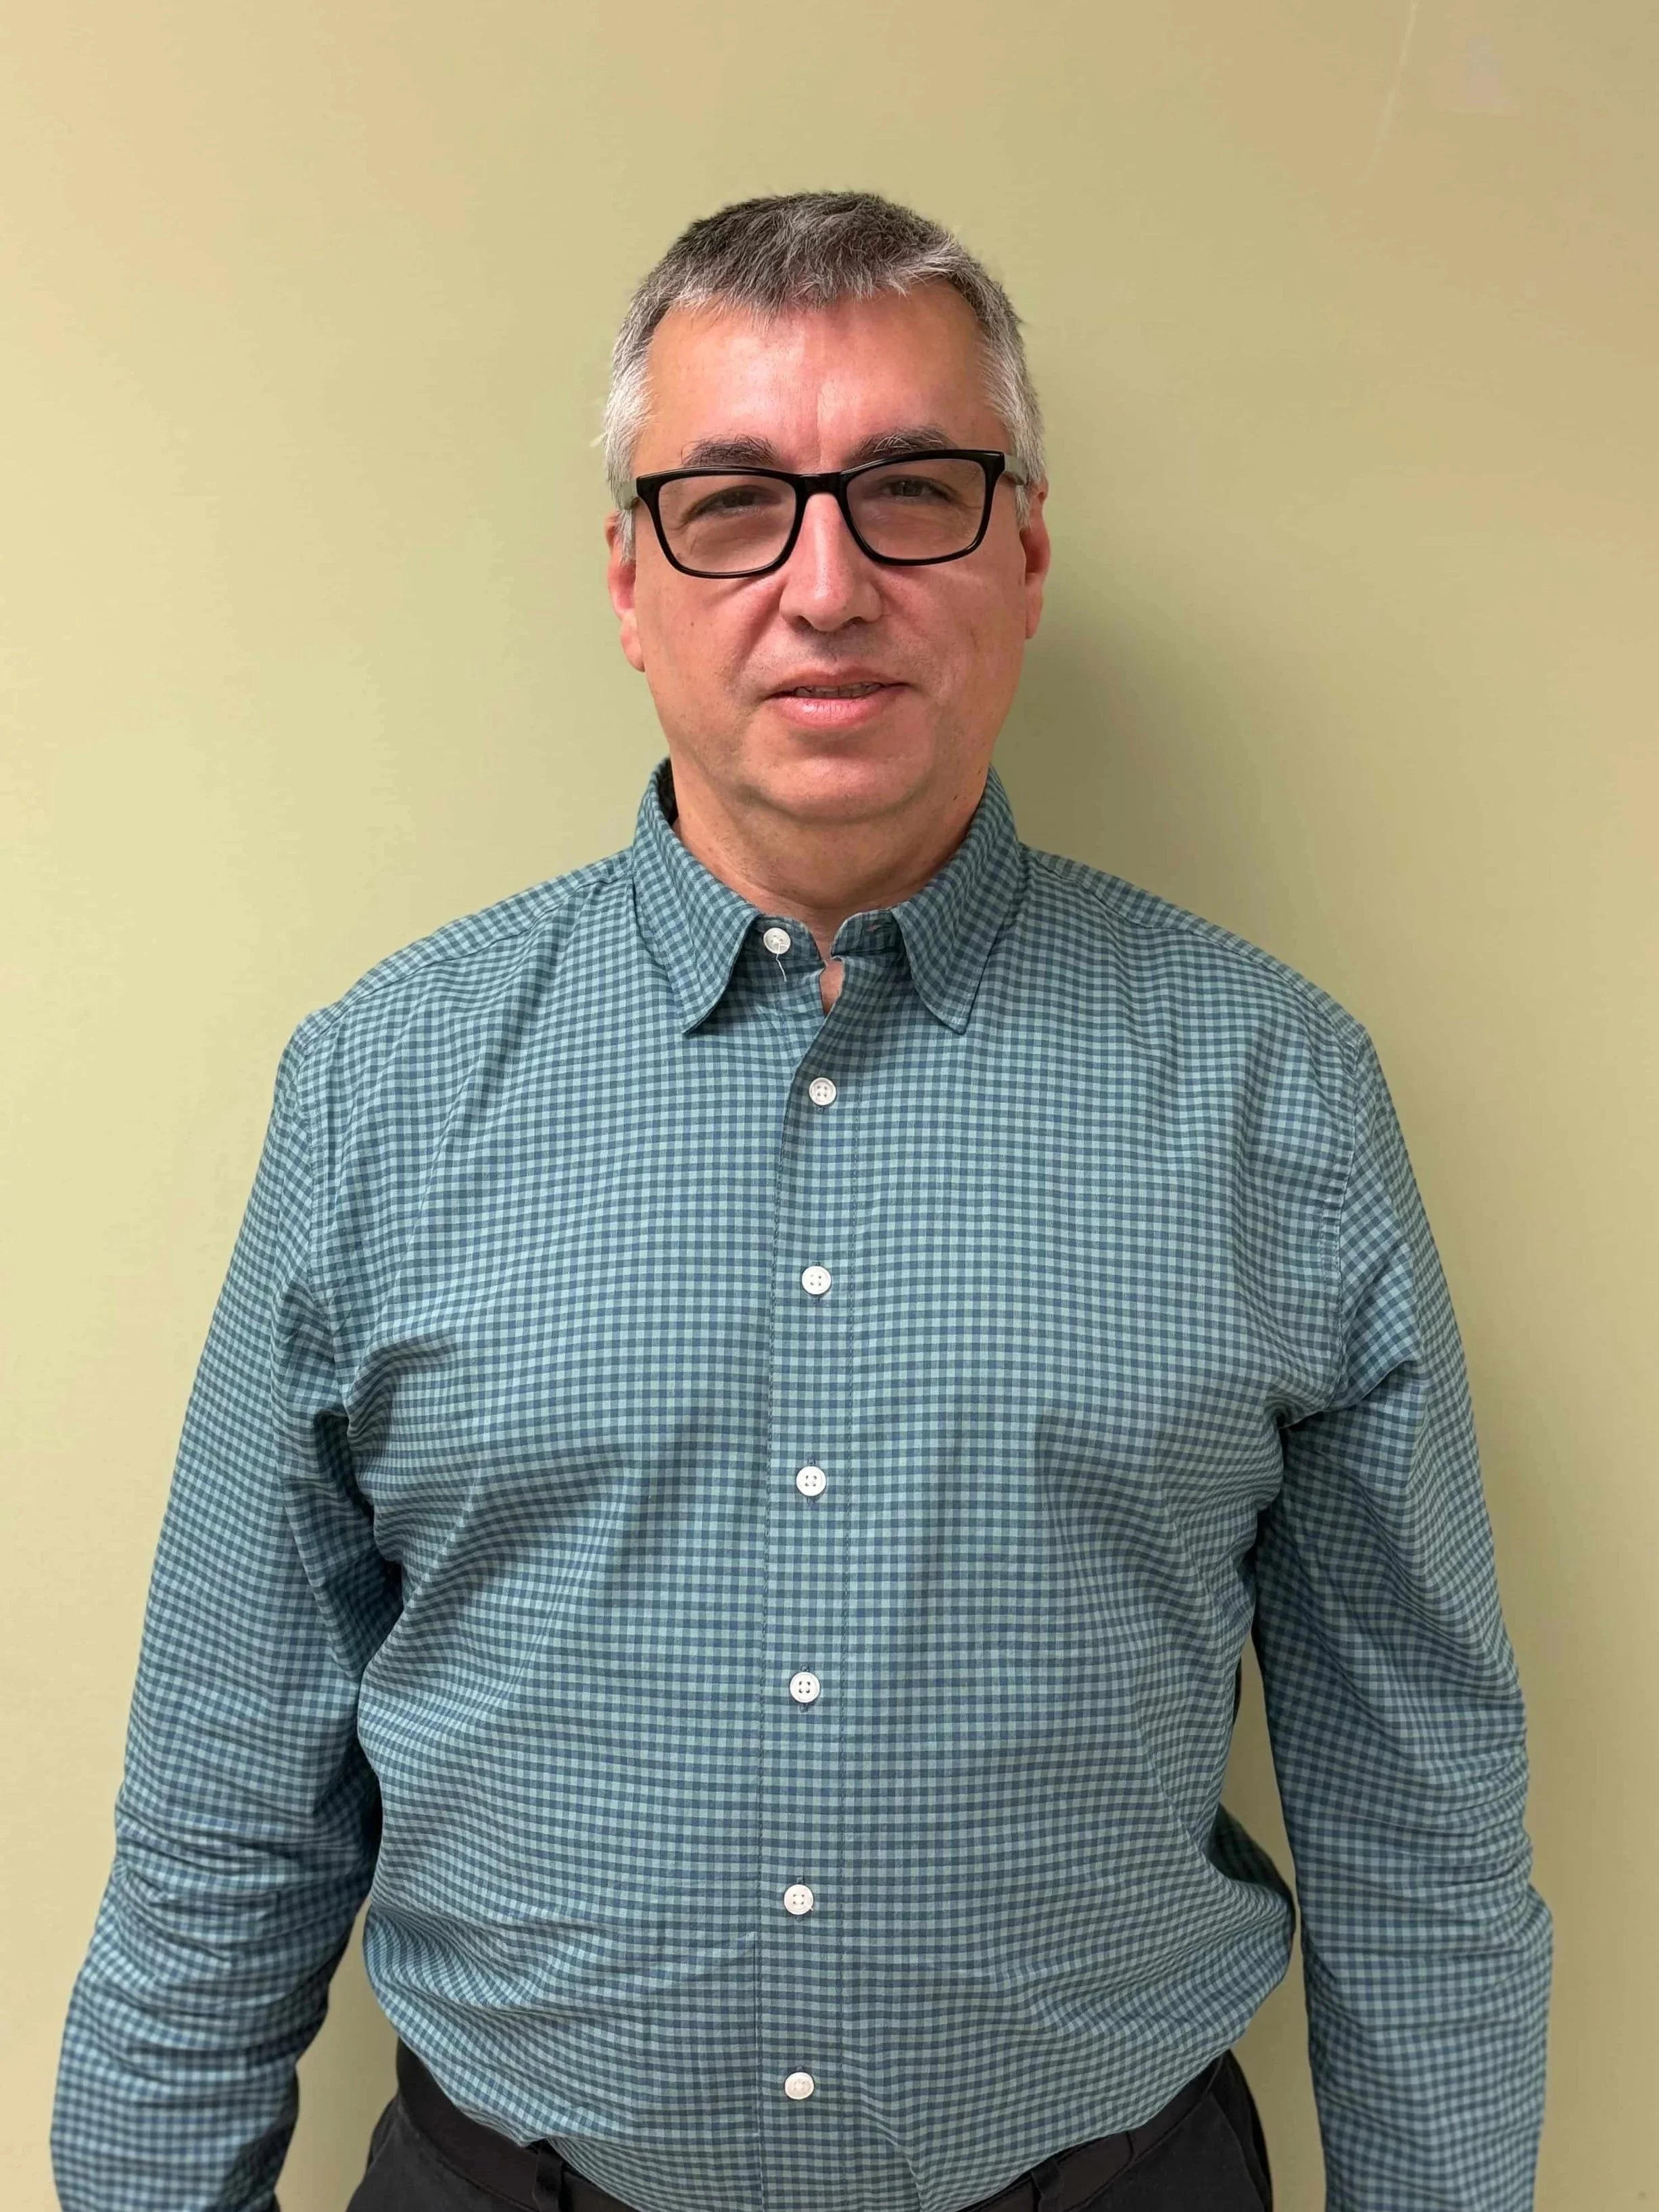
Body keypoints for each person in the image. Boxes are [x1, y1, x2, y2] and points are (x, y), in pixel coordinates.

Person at [51, 190, 1551, 2212]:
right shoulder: (379, 1091)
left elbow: (1417, 1825)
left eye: (912, 492)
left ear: (1026, 554)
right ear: (629, 576)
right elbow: (222, 1818)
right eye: (734, 505)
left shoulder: (1271, 1090)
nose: (825, 587)